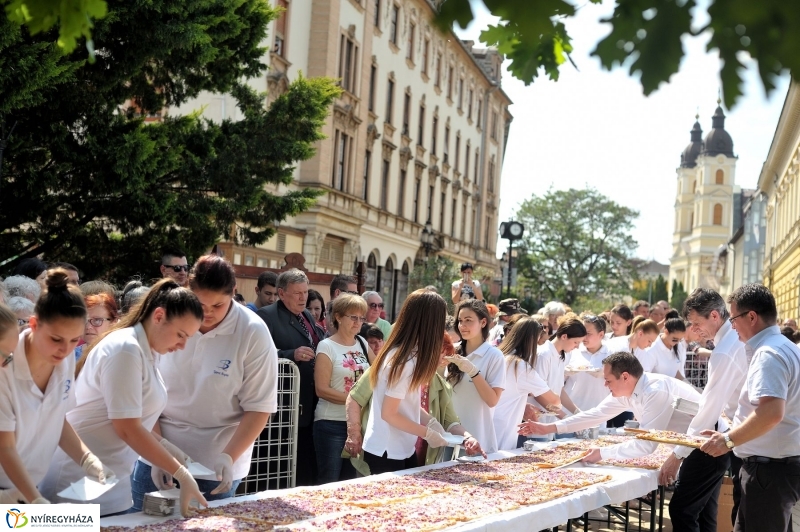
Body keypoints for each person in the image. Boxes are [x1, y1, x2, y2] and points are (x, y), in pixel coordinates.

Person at [41, 279, 207, 516]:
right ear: (158, 316)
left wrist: (165, 449)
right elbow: (127, 428)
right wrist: (179, 470)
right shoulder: (125, 349)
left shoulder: (145, 350)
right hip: (78, 484)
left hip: (111, 483)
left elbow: (127, 419)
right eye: (181, 335)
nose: (182, 345)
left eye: (188, 338)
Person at [130, 255, 278, 510]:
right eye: (201, 304)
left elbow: (259, 407)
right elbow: (146, 390)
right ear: (188, 289)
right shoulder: (167, 318)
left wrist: (228, 457)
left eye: (218, 305)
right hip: (155, 449)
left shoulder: (253, 331)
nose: (207, 313)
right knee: (140, 522)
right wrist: (158, 452)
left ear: (233, 292)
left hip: (216, 464)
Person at [0, 271, 113, 505]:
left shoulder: (64, 358)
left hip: (29, 489)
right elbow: (5, 448)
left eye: (74, 341)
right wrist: (35, 500)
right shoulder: (5, 365)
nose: (65, 350)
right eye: (56, 339)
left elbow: (56, 417)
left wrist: (87, 458)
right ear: (34, 324)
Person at [700, 284, 800, 532]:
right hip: (773, 468)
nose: (732, 326)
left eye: (733, 319)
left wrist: (729, 440)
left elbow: (771, 413)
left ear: (752, 317)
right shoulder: (785, 347)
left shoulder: (769, 353)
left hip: (769, 471)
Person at [656, 288, 747, 532]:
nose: (694, 330)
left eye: (697, 323)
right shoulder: (729, 344)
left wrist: (677, 455)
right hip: (738, 435)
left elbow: (709, 409)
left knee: (684, 509)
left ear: (715, 316)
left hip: (744, 439)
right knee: (711, 512)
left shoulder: (726, 350)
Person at [519, 352, 706, 463]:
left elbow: (646, 445)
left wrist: (603, 453)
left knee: (684, 512)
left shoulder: (655, 391)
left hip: (704, 446)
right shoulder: (629, 389)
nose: (605, 386)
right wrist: (549, 427)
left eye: (608, 380)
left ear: (625, 377)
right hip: (691, 446)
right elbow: (596, 414)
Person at [345, 331, 485, 475]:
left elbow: (451, 422)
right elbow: (357, 398)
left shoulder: (440, 385)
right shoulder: (398, 366)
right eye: (440, 355)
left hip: (413, 453)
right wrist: (354, 433)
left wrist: (467, 438)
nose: (440, 362)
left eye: (444, 357)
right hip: (385, 450)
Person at [361, 290, 465, 474]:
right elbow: (389, 414)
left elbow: (404, 404)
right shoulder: (403, 361)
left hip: (400, 448)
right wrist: (426, 433)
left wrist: (430, 421)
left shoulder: (408, 354)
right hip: (387, 450)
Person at [256, 268, 324, 486]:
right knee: (275, 468)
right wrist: (290, 355)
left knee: (304, 465)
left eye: (305, 292)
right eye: (297, 293)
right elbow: (257, 356)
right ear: (282, 293)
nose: (303, 297)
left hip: (307, 403)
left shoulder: (306, 315)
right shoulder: (266, 316)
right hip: (281, 408)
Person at [313, 294, 373, 484]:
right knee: (329, 481)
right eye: (353, 317)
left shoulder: (363, 343)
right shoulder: (326, 346)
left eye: (361, 318)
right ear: (338, 317)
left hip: (358, 424)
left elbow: (379, 373)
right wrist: (354, 400)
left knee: (351, 482)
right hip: (331, 423)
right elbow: (321, 390)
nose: (358, 323)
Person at [444, 299, 506, 454]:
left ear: (483, 322)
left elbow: (492, 400)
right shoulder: (453, 350)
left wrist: (473, 372)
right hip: (450, 438)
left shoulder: (494, 356)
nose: (462, 325)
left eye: (468, 320)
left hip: (478, 441)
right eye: (460, 320)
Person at [493, 318, 562, 450]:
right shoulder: (520, 366)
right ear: (531, 341)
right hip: (503, 431)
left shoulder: (499, 356)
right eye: (537, 342)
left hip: (487, 425)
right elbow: (554, 401)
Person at [535, 316, 586, 416]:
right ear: (564, 337)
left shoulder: (561, 355)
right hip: (537, 418)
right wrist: (563, 416)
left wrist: (577, 412)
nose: (577, 347)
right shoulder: (544, 355)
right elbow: (537, 393)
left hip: (551, 419)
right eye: (576, 342)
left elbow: (559, 390)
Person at [563, 315, 609, 412]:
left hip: (598, 412)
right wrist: (564, 372)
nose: (584, 337)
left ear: (601, 335)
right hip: (571, 410)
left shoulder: (611, 354)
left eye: (588, 333)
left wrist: (605, 373)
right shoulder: (573, 350)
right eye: (583, 332)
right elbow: (557, 380)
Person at [74, 293, 119, 361]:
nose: (88, 327)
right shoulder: (69, 356)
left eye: (97, 320)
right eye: (84, 320)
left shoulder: (120, 355)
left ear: (113, 322)